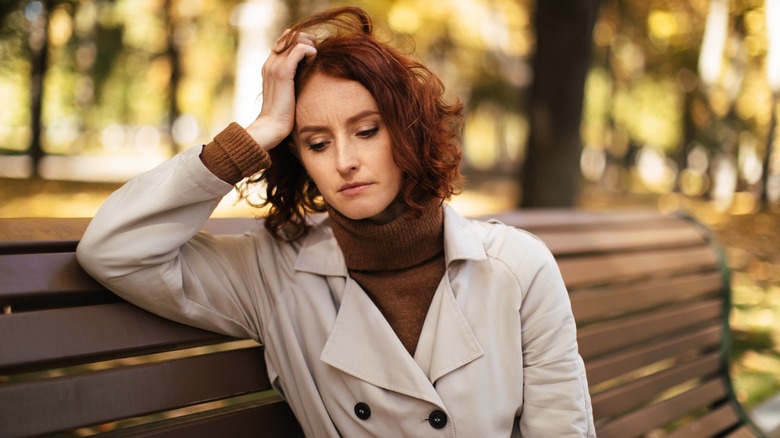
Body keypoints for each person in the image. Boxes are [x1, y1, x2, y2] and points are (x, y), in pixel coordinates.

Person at [77, 6, 595, 437]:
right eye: (317, 143)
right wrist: (258, 133)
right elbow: (113, 250)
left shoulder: (517, 268)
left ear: (408, 131)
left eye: (367, 131)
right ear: (298, 156)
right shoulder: (272, 273)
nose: (344, 160)